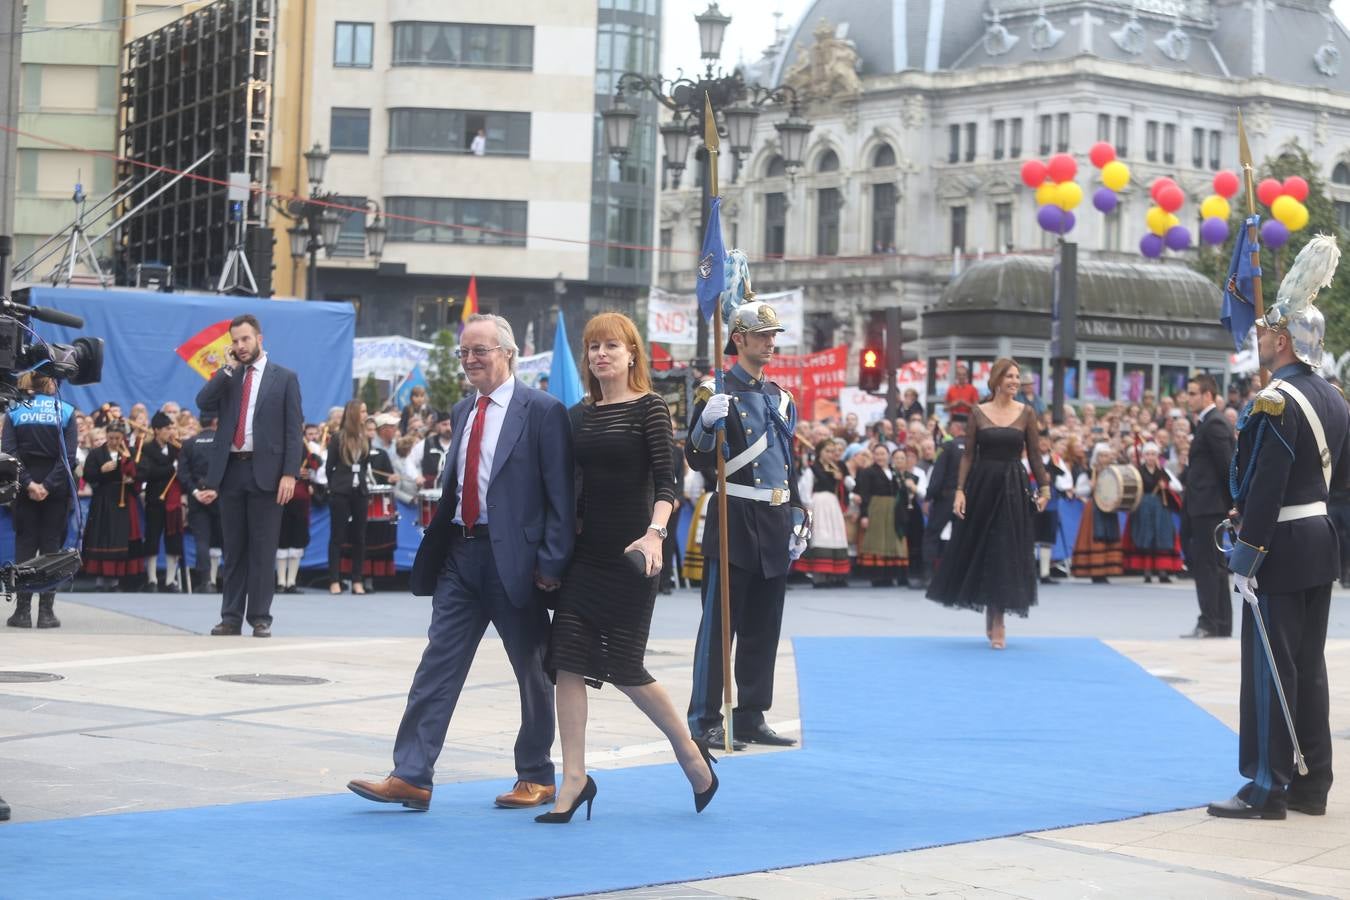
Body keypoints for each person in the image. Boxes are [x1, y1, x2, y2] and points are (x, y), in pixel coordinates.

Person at [347, 313, 574, 813]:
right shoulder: (462, 408)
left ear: (508, 353)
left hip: (517, 561)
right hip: (461, 554)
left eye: (480, 351)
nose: (470, 360)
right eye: (464, 352)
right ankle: (411, 774)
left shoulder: (543, 411)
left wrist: (551, 564)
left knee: (532, 671)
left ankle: (536, 774)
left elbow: (562, 495)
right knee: (437, 666)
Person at [540, 312, 714, 823]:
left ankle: (688, 750)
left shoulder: (651, 409)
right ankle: (573, 777)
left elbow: (669, 483)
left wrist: (655, 534)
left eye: (611, 346)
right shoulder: (577, 416)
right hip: (586, 555)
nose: (600, 355)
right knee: (565, 657)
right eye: (593, 347)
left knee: (623, 666)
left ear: (632, 353)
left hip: (636, 553)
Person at [1208, 234, 1350, 820]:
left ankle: (1267, 787)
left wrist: (1245, 557)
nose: (1258, 338)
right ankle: (1313, 783)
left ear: (1287, 339)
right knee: (1308, 666)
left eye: (1266, 332)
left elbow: (1261, 491)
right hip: (1319, 543)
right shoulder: (1337, 399)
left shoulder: (1274, 400)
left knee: (1270, 669)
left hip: (1279, 547)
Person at [685, 300, 805, 750]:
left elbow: (787, 462)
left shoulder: (781, 396)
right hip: (734, 513)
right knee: (720, 625)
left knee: (763, 622)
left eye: (774, 335)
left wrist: (798, 512)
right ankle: (704, 718)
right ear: (738, 339)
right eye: (762, 335)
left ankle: (752, 714)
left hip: (774, 518)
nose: (771, 342)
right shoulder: (713, 390)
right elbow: (697, 459)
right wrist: (704, 424)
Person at [926, 358, 1049, 649]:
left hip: (1013, 487)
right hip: (982, 485)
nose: (1015, 382)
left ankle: (998, 620)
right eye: (1010, 377)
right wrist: (960, 490)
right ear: (996, 380)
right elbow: (968, 455)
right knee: (985, 548)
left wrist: (1044, 487)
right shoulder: (978, 412)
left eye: (1018, 377)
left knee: (1006, 549)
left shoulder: (1027, 413)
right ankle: (992, 611)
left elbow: (1034, 455)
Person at [195, 314, 304, 639]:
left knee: (262, 548)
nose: (240, 346)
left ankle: (260, 617)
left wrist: (289, 473)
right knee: (234, 549)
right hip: (231, 471)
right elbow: (202, 402)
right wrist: (227, 369)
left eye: (245, 339)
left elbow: (293, 431)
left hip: (268, 474)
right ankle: (230, 617)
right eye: (235, 341)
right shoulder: (229, 377)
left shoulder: (284, 378)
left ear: (259, 338)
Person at [2, 373, 78, 628]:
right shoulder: (65, 410)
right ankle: (47, 612)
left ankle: (22, 612)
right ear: (50, 383)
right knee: (52, 548)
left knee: (25, 547)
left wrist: (29, 484)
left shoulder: (15, 410)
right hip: (55, 491)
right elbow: (69, 457)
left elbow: (9, 454)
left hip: (25, 489)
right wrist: (48, 485)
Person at [1181, 372, 1236, 638]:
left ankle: (1210, 622)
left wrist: (1232, 505)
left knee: (1207, 566)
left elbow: (1227, 468)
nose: (1187, 398)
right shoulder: (1209, 423)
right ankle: (1220, 624)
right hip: (1205, 505)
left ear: (1207, 395)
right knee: (1214, 566)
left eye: (1192, 393)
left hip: (1209, 507)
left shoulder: (1214, 424)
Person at [80, 421, 145, 591]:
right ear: (106, 436)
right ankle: (101, 581)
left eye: (117, 438)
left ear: (123, 437)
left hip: (124, 501)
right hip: (104, 500)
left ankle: (117, 581)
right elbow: (88, 475)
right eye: (111, 438)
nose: (114, 441)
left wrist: (132, 479)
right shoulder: (96, 454)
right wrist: (102, 470)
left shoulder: (130, 453)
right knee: (103, 537)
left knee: (121, 538)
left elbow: (142, 473)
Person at [326, 400, 370, 595]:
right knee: (337, 536)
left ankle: (357, 580)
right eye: (362, 411)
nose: (365, 414)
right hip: (341, 491)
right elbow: (329, 467)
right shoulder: (337, 438)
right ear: (353, 414)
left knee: (359, 537)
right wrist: (335, 485)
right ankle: (334, 580)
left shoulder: (365, 438)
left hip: (359, 491)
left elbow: (365, 464)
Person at [136, 411, 184, 593]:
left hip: (173, 501)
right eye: (166, 428)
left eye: (171, 428)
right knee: (153, 538)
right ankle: (152, 579)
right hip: (155, 499)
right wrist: (171, 468)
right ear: (156, 430)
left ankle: (171, 580)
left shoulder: (176, 449)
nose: (169, 431)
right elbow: (149, 472)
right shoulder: (147, 449)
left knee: (174, 539)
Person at [794, 438, 851, 587]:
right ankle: (818, 576)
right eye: (827, 451)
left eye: (832, 451)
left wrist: (842, 477)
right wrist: (809, 506)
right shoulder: (812, 469)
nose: (830, 454)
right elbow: (804, 489)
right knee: (821, 535)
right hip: (819, 503)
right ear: (820, 452)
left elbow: (850, 485)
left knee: (834, 535)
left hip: (833, 504)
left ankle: (834, 575)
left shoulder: (836, 468)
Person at [1124, 443, 1183, 583]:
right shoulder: (1138, 471)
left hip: (1160, 508)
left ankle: (1163, 572)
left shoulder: (1163, 472)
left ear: (1157, 456)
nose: (1150, 457)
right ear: (1144, 456)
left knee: (1161, 537)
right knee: (1146, 537)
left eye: (1153, 454)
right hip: (1143, 507)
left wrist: (1166, 486)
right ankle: (1147, 572)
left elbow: (1178, 487)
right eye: (1148, 454)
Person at [178, 412, 223, 593]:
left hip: (197, 497)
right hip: (219, 498)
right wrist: (216, 490)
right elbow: (228, 469)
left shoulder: (189, 444)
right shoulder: (222, 442)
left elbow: (182, 473)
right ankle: (225, 580)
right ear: (215, 421)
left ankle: (206, 582)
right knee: (226, 540)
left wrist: (196, 492)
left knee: (202, 541)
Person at [921, 413, 966, 584]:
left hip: (947, 497)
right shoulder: (974, 447)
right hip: (966, 497)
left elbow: (938, 475)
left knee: (932, 534)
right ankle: (958, 576)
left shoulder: (947, 447)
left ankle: (928, 575)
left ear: (956, 427)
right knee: (961, 536)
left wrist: (928, 497)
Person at [1070, 446, 1125, 583]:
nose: (1104, 459)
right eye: (1101, 456)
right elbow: (1078, 491)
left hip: (1109, 507)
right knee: (1095, 537)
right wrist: (1090, 486)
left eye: (1106, 456)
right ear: (1096, 457)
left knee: (1109, 536)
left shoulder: (1115, 472)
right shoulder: (1088, 472)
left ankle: (1107, 569)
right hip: (1094, 506)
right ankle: (1095, 571)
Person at [276, 425, 320, 593]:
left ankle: (290, 581)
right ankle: (281, 581)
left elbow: (315, 468)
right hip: (282, 496)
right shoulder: (280, 443)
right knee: (282, 538)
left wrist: (310, 471)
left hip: (300, 497)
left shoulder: (307, 446)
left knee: (297, 538)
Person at [856, 444, 907, 586]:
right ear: (873, 455)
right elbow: (864, 494)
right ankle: (877, 577)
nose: (880, 457)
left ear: (888, 455)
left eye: (883, 454)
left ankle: (889, 575)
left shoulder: (894, 471)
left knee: (890, 540)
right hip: (876, 508)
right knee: (877, 540)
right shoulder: (868, 472)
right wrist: (864, 515)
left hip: (892, 509)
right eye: (877, 454)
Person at [421, 410, 454, 488]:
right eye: (444, 424)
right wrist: (417, 476)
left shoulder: (459, 444)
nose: (448, 428)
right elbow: (410, 461)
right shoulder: (427, 443)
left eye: (450, 424)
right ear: (437, 426)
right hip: (430, 492)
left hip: (452, 492)